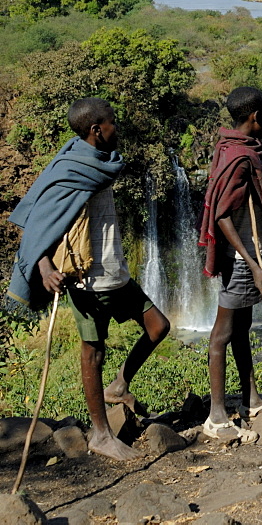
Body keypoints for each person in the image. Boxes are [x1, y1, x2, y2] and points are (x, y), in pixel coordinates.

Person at [6, 97, 171, 461]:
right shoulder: (69, 169)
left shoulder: (99, 162)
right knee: (92, 352)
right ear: (97, 129)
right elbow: (37, 222)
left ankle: (119, 385)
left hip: (115, 273)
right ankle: (100, 434)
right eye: (112, 121)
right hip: (84, 279)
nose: (118, 126)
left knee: (158, 326)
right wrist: (45, 267)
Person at [198, 86, 262, 440]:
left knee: (241, 330)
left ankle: (252, 400)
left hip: (250, 257)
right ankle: (216, 418)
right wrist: (253, 263)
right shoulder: (240, 158)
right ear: (255, 117)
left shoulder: (232, 147)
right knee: (221, 335)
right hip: (243, 259)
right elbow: (221, 215)